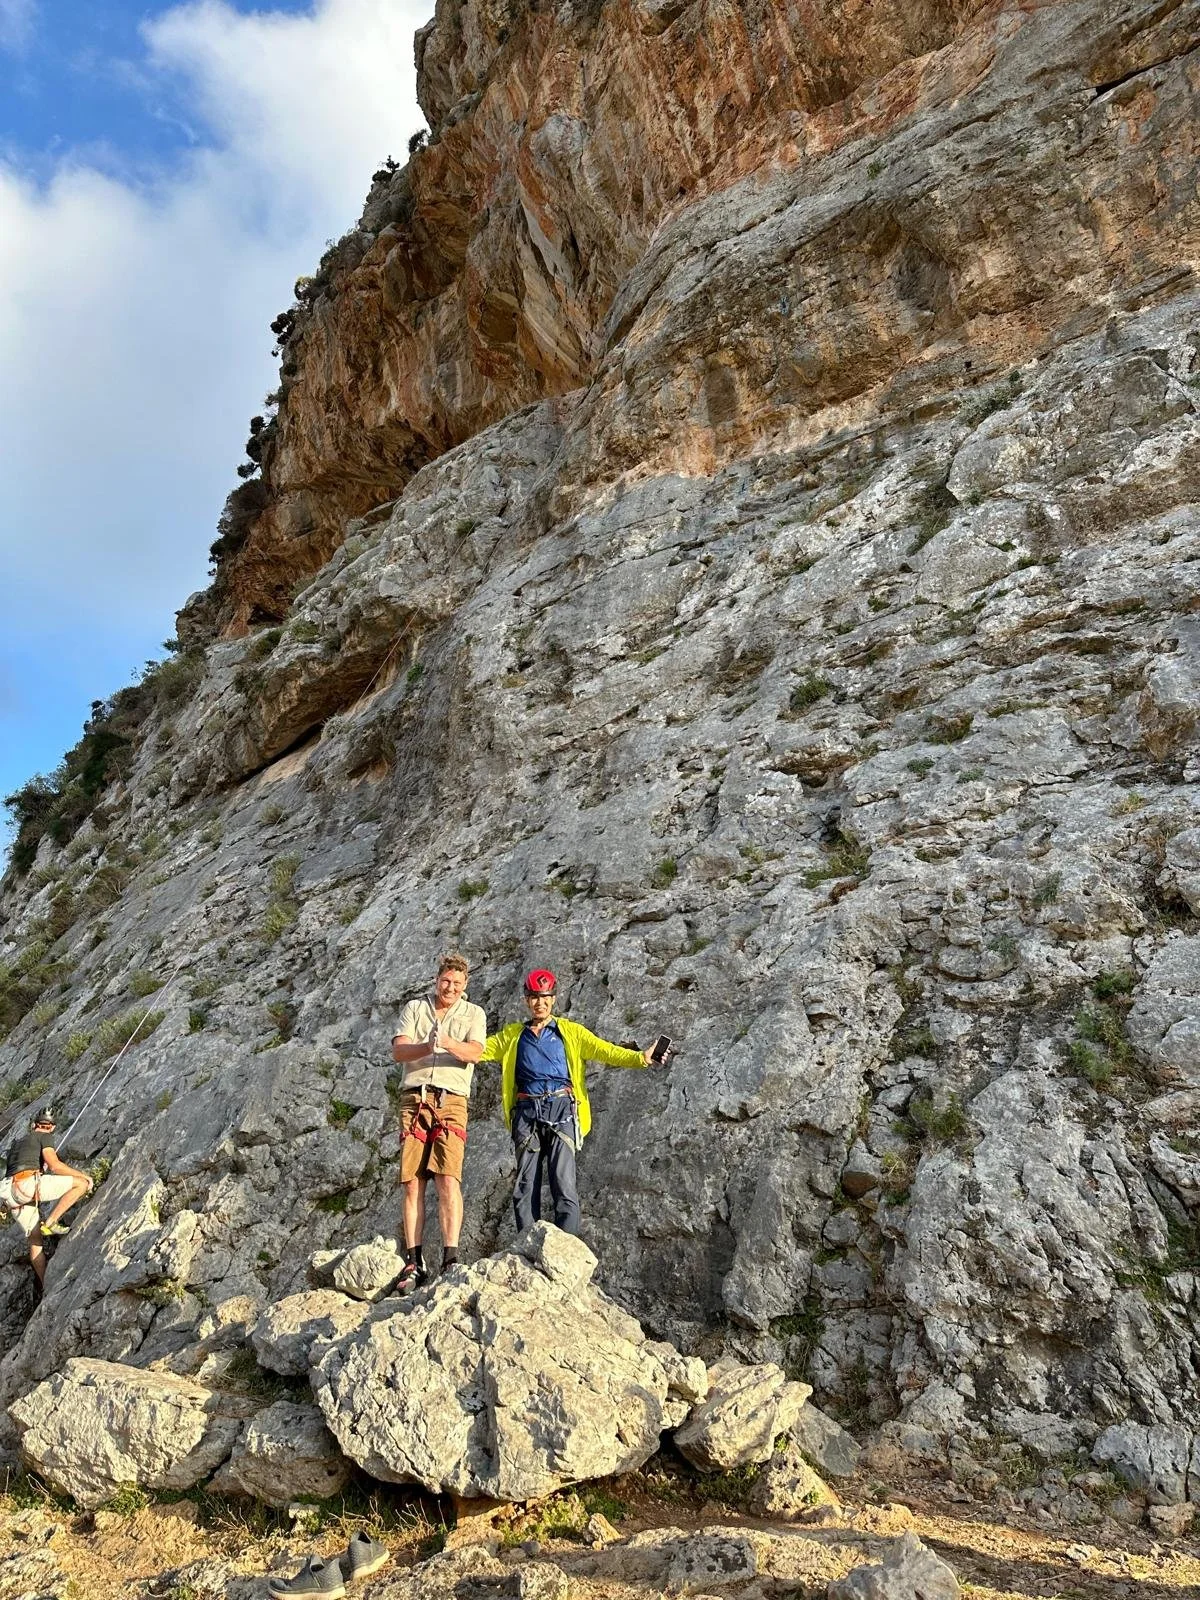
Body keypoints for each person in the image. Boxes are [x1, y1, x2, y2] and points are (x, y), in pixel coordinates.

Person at [480, 968, 663, 1236]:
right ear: (526, 1000)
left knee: (563, 1182)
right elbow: (478, 1050)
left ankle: (566, 1246)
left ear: (553, 999)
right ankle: (527, 1244)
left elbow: (606, 1051)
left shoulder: (571, 1033)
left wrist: (641, 1058)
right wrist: (443, 1045)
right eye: (534, 997)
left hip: (562, 1110)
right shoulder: (512, 1036)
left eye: (545, 997)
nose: (540, 1003)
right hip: (527, 1112)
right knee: (526, 1184)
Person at [391, 953, 486, 1290]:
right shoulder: (416, 1009)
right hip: (415, 1098)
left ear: (465, 984)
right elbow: (399, 1052)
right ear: (437, 980)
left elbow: (476, 1053)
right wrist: (426, 1047)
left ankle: (450, 1258)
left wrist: (447, 1043)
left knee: (448, 1177)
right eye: (446, 981)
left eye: (457, 983)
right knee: (412, 1181)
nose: (450, 987)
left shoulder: (473, 1013)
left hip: (452, 1100)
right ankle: (413, 1261)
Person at [0, 1106, 93, 1287]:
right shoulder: (45, 1136)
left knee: (35, 1242)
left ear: (34, 1125)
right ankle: (51, 1222)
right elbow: (55, 1165)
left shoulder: (16, 1143)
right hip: (27, 1186)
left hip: (10, 1195)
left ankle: (45, 1286)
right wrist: (83, 1175)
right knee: (80, 1184)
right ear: (52, 1127)